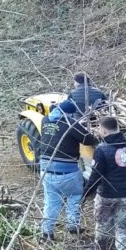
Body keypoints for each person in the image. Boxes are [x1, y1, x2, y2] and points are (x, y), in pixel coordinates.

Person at [84, 116, 126, 250]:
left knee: (102, 226)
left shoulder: (101, 150)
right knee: (123, 229)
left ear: (104, 130)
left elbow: (95, 176)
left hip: (106, 195)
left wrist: (85, 193)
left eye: (99, 128)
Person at [37, 99, 97, 241]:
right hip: (67, 172)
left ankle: (47, 232)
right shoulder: (70, 124)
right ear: (69, 114)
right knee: (75, 195)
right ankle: (72, 225)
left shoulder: (45, 120)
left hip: (45, 170)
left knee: (51, 201)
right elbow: (89, 139)